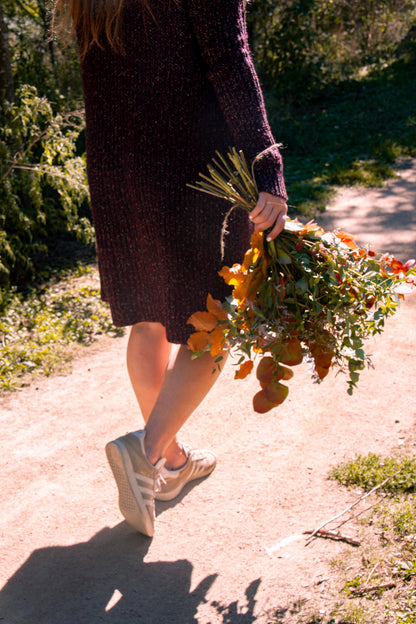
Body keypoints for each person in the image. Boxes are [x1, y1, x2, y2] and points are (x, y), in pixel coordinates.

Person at [54, 0, 288, 537]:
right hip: (193, 166)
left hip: (118, 165)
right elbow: (231, 62)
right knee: (216, 320)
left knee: (150, 316)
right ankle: (146, 449)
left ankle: (171, 463)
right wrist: (266, 164)